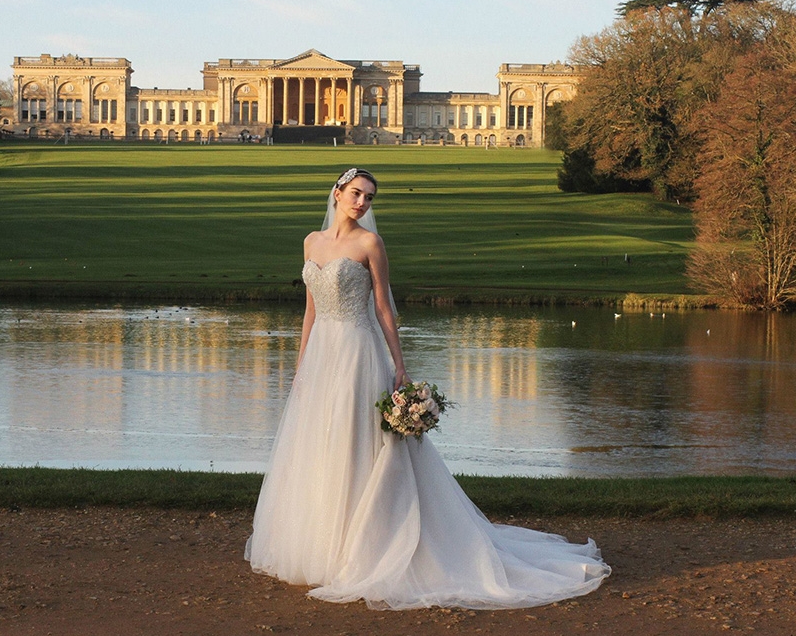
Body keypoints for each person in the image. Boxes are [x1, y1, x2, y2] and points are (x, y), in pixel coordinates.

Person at [245, 168, 611, 610]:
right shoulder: (310, 242)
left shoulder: (369, 244)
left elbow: (382, 306)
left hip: (360, 351)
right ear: (337, 192)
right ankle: (324, 544)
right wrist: (301, 362)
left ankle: (371, 544)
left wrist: (400, 364)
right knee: (321, 443)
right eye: (357, 193)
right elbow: (310, 310)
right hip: (323, 354)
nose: (362, 203)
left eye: (370, 198)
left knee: (362, 443)